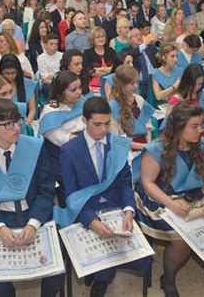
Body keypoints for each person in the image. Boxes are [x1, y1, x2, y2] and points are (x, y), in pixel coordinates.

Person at [0, 99, 64, 296]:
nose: (16, 128)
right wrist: (0, 228)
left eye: (17, 121)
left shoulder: (35, 147)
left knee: (57, 271)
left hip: (35, 214)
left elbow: (46, 190)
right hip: (0, 220)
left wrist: (33, 224)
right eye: (8, 124)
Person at [57, 96, 151, 296]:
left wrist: (128, 210)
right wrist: (91, 221)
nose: (103, 130)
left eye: (107, 123)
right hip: (86, 210)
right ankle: (101, 282)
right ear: (84, 120)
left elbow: (125, 181)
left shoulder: (116, 143)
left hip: (116, 208)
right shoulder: (69, 150)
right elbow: (70, 194)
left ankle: (101, 276)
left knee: (143, 262)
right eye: (97, 124)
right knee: (104, 267)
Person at [134, 102, 204, 297]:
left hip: (193, 194)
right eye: (195, 126)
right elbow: (148, 183)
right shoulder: (158, 147)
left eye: (201, 125)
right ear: (179, 127)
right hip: (161, 197)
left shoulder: (201, 145)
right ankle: (168, 279)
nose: (201, 130)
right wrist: (172, 204)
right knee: (181, 240)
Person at [39, 71, 90, 204]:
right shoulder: (50, 110)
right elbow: (58, 138)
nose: (79, 92)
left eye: (79, 87)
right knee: (71, 186)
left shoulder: (82, 102)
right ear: (61, 91)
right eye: (73, 90)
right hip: (61, 155)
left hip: (85, 146)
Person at [167, 63, 204, 144]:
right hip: (183, 139)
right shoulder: (176, 99)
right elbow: (168, 125)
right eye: (193, 84)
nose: (196, 87)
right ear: (186, 81)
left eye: (200, 84)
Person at [109, 65, 153, 150]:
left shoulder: (139, 99)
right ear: (122, 85)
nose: (136, 86)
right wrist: (141, 146)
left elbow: (148, 123)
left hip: (145, 144)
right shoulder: (112, 106)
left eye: (137, 82)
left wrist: (149, 138)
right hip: (126, 149)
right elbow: (116, 137)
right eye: (132, 83)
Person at [0, 54, 37, 124]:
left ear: (18, 71)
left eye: (13, 72)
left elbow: (32, 109)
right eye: (6, 73)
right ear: (1, 71)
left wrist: (27, 122)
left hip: (22, 122)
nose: (10, 76)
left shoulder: (27, 84)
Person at [83, 27, 115, 94]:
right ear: (92, 39)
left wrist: (99, 69)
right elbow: (91, 72)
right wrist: (109, 70)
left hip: (112, 84)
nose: (101, 39)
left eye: (102, 36)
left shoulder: (111, 50)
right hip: (95, 87)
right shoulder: (87, 53)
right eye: (97, 37)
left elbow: (116, 68)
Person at [150, 44, 184, 108]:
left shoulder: (180, 71)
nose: (176, 59)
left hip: (178, 104)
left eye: (176, 56)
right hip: (162, 107)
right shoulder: (156, 73)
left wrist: (166, 94)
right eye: (172, 56)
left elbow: (183, 91)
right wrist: (174, 87)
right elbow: (159, 96)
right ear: (164, 57)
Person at [37, 33, 63, 100]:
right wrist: (58, 77)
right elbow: (45, 78)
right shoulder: (40, 58)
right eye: (51, 44)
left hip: (62, 82)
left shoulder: (62, 56)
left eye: (56, 44)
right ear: (45, 45)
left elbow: (64, 74)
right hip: (48, 84)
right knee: (49, 87)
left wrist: (53, 77)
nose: (54, 46)